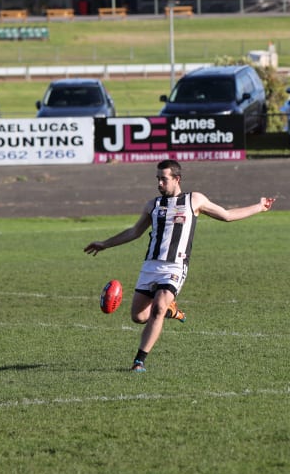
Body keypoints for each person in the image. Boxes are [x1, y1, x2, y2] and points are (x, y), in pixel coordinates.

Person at [84, 159, 275, 372]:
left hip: (175, 266)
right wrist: (105, 244)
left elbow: (227, 215)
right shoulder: (153, 205)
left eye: (163, 179)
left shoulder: (194, 200)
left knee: (157, 307)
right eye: (157, 179)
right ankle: (169, 311)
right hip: (151, 266)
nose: (159, 183)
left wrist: (259, 207)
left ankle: (139, 361)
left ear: (177, 179)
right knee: (138, 316)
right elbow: (134, 232)